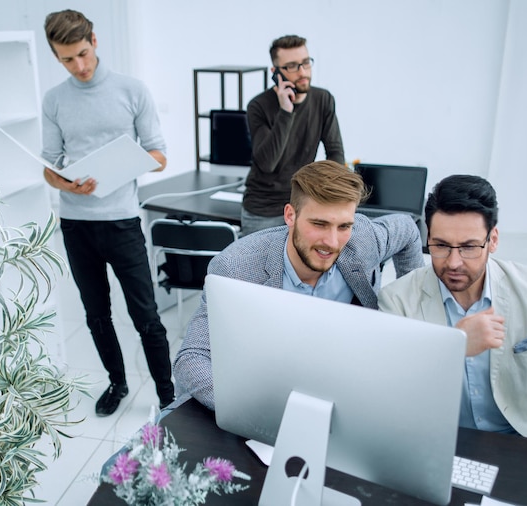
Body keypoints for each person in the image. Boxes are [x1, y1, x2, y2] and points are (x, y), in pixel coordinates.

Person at [378, 174, 527, 448]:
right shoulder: (396, 300)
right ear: (428, 238)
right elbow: (388, 396)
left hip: (526, 442)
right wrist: (452, 346)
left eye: (468, 247)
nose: (453, 262)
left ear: (493, 240)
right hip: (440, 445)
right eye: (440, 246)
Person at [174, 160, 424, 409]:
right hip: (267, 393)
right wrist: (254, 409)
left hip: (344, 390)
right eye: (319, 224)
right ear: (290, 215)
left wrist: (407, 315)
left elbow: (408, 229)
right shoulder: (236, 268)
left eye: (344, 226)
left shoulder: (364, 238)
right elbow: (191, 359)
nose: (333, 242)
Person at [41, 10, 174, 416]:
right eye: (67, 59)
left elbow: (159, 156)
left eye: (82, 53)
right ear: (56, 56)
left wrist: (120, 167)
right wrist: (64, 183)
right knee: (96, 313)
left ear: (95, 41)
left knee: (146, 316)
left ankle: (169, 397)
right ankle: (117, 384)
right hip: (76, 224)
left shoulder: (132, 90)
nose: (78, 66)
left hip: (121, 222)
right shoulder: (54, 100)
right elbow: (49, 164)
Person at [241, 34, 345, 236]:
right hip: (264, 209)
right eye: (292, 66)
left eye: (306, 63)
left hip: (303, 204)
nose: (302, 72)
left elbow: (335, 153)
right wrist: (286, 111)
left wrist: (326, 195)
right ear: (275, 73)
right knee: (262, 267)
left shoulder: (323, 99)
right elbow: (267, 163)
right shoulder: (258, 106)